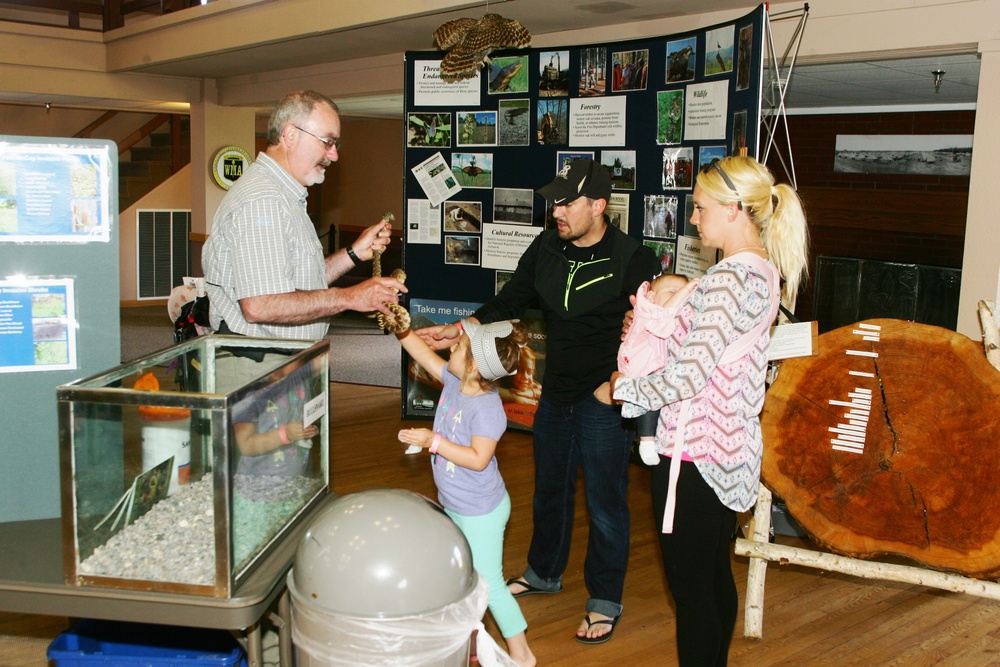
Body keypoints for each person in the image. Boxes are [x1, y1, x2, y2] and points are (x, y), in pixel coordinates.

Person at [418, 158, 660, 644]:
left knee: (605, 504)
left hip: (604, 399)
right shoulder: (548, 245)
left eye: (568, 202)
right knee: (549, 490)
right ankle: (544, 572)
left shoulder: (636, 259)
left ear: (599, 205)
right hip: (557, 392)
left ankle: (604, 599)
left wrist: (618, 383)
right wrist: (461, 328)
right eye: (555, 202)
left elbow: (652, 336)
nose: (557, 211)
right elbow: (511, 299)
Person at [609, 155, 809, 666]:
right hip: (727, 451)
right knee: (713, 576)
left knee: (693, 590)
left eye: (699, 209)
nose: (693, 219)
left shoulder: (729, 281)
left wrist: (623, 389)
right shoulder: (763, 272)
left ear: (734, 210)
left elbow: (689, 375)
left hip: (695, 456)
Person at [202, 89, 406, 345]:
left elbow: (302, 280)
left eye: (335, 144)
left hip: (280, 361)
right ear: (290, 135)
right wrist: (350, 297)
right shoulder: (264, 201)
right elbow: (260, 305)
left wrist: (353, 253)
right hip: (259, 365)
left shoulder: (285, 196)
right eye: (327, 142)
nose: (334, 155)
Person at [395, 318, 536, 667]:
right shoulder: (455, 381)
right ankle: (465, 639)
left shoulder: (487, 409)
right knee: (463, 575)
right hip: (457, 503)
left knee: (490, 584)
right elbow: (424, 356)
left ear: (472, 364)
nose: (452, 346)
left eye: (458, 347)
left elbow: (478, 459)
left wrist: (434, 442)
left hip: (481, 512)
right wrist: (401, 329)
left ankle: (523, 655)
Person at [616, 272, 691, 466]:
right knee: (649, 399)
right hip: (643, 368)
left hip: (652, 366)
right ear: (651, 297)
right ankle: (646, 441)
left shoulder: (658, 313)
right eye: (673, 291)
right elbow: (665, 317)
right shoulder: (653, 312)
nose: (681, 296)